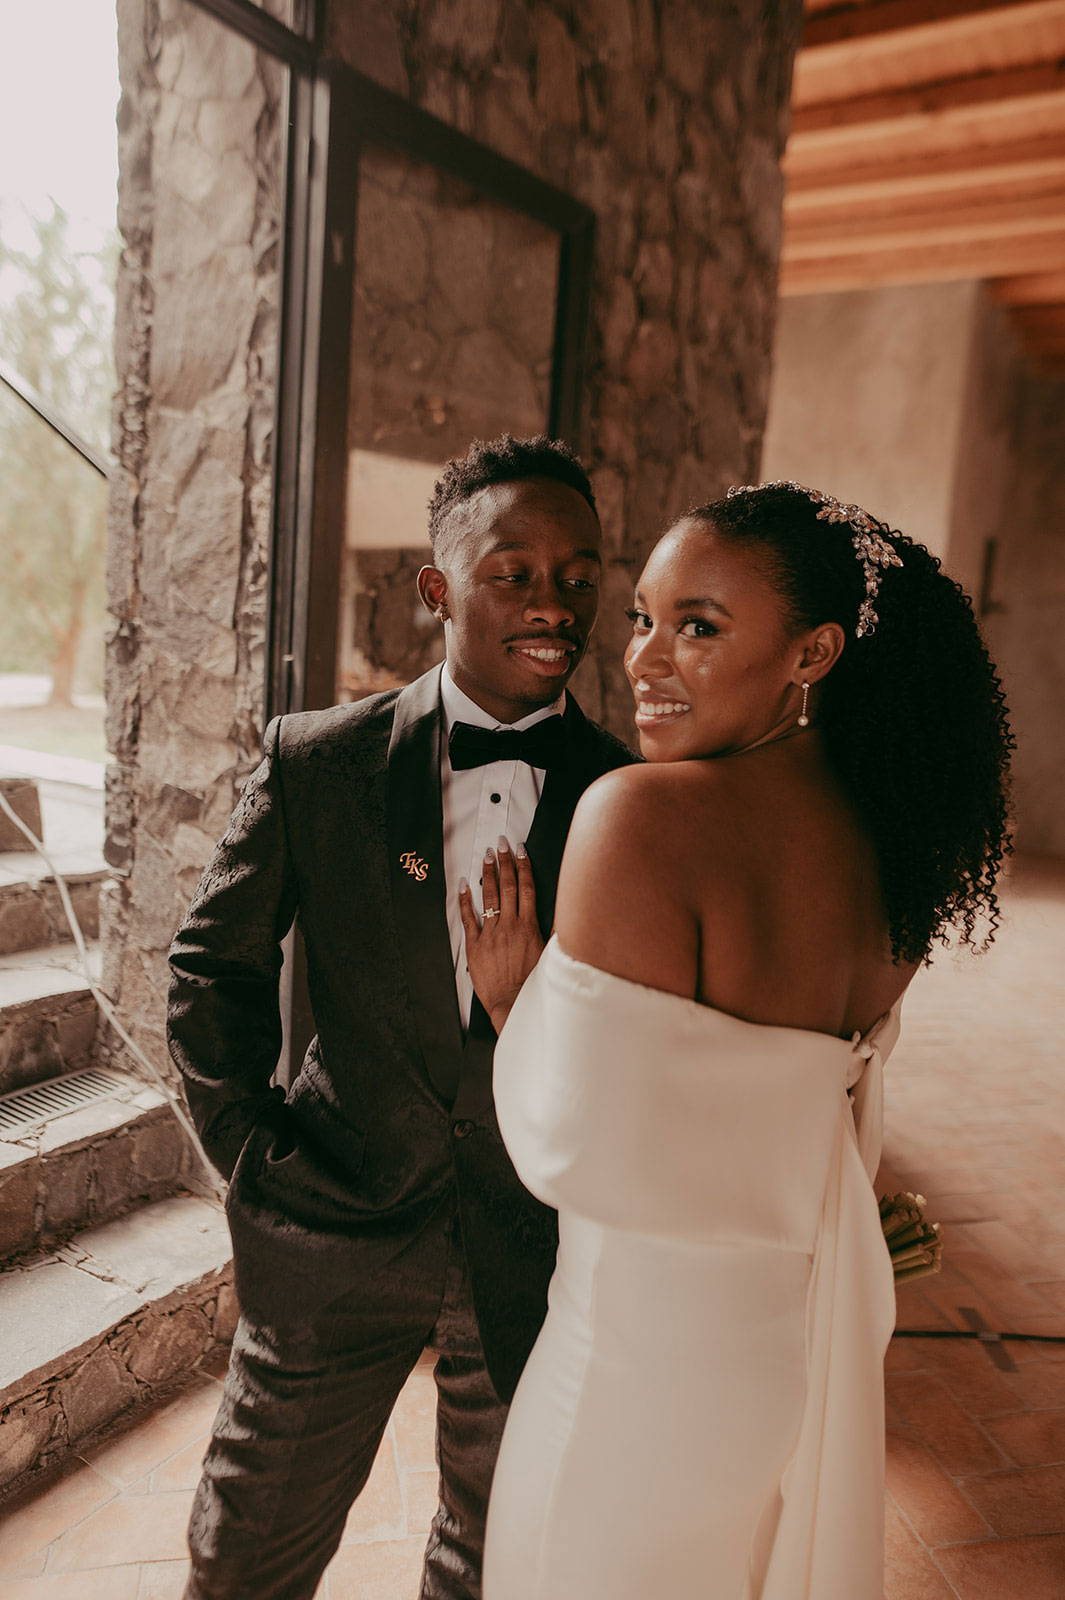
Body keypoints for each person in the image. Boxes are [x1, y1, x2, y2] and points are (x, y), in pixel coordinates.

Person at [460, 481, 1014, 1600]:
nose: (645, 659)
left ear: (812, 653)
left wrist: (519, 1006)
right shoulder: (894, 851)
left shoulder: (646, 818)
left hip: (629, 1379)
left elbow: (571, 1148)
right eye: (645, 619)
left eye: (700, 627)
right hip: (778, 1368)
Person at [166, 433, 636, 1600]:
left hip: (528, 1247)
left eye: (580, 575)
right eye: (513, 571)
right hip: (333, 1224)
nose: (554, 601)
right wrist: (253, 1160)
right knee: (243, 1559)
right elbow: (207, 968)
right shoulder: (317, 762)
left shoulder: (630, 803)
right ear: (437, 589)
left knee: (492, 1563)